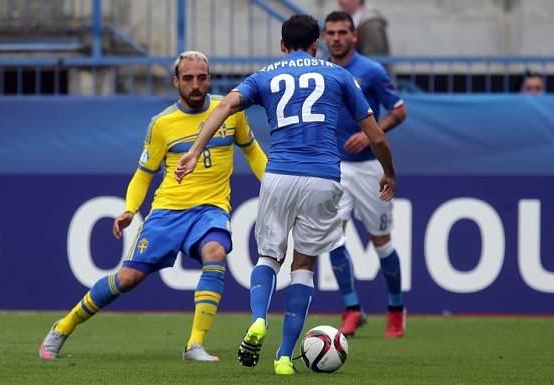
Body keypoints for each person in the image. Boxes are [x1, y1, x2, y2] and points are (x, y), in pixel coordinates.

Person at [175, 14, 396, 375]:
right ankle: (282, 356)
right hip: (324, 177)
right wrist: (389, 173)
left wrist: (196, 149)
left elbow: (225, 106)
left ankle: (259, 319)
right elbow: (377, 137)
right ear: (317, 44)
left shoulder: (265, 75)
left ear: (282, 45)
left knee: (267, 257)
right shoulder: (339, 75)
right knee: (304, 267)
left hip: (278, 174)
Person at [39, 51, 267, 362]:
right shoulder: (162, 124)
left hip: (211, 209)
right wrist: (130, 209)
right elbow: (143, 174)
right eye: (188, 79)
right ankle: (64, 325)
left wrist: (271, 185)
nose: (196, 85)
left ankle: (194, 345)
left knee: (215, 252)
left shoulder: (230, 112)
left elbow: (253, 152)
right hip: (167, 213)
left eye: (202, 78)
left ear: (209, 79)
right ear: (176, 82)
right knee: (127, 279)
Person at [324, 10, 408, 339]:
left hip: (370, 168)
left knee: (381, 242)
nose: (336, 38)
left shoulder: (370, 71)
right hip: (333, 167)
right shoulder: (322, 71)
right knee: (333, 238)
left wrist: (371, 131)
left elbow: (399, 110)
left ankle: (396, 309)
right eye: (330, 32)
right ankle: (351, 308)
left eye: (342, 32)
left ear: (354, 36)